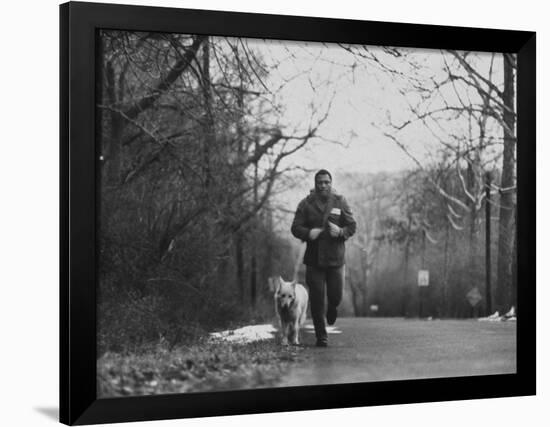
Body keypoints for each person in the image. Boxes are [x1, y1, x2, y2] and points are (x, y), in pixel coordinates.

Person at [291, 169, 356, 347]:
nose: (323, 185)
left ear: (331, 183)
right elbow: (295, 228)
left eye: (326, 182)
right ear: (315, 184)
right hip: (314, 260)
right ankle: (321, 336)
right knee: (317, 299)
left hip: (336, 259)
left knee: (335, 296)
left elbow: (352, 226)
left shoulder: (340, 201)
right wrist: (308, 233)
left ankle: (333, 307)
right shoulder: (306, 204)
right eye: (320, 182)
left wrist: (341, 232)